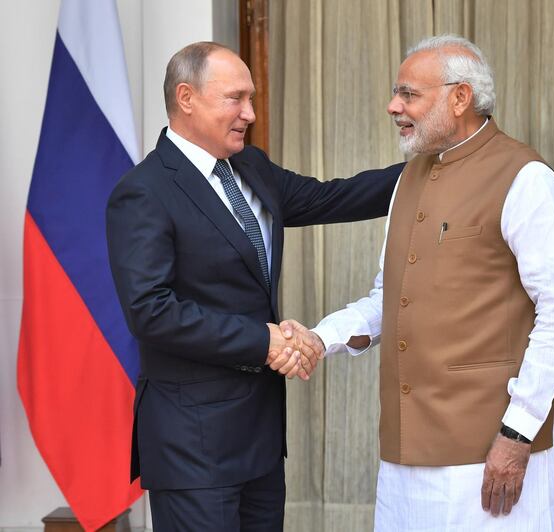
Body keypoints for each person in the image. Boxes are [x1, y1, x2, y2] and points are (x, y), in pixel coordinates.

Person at [294, 35, 554, 530]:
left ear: (460, 98)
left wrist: (516, 436)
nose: (393, 106)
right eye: (396, 93)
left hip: (494, 453)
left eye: (409, 94)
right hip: (407, 457)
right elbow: (388, 298)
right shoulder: (408, 179)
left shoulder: (527, 179)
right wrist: (320, 338)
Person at [105, 41, 402, 531]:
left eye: (252, 99)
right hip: (193, 450)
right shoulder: (143, 192)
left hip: (261, 446)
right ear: (186, 97)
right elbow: (151, 311)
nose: (250, 113)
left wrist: (441, 167)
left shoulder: (251, 166)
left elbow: (336, 197)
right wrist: (265, 340)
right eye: (235, 99)